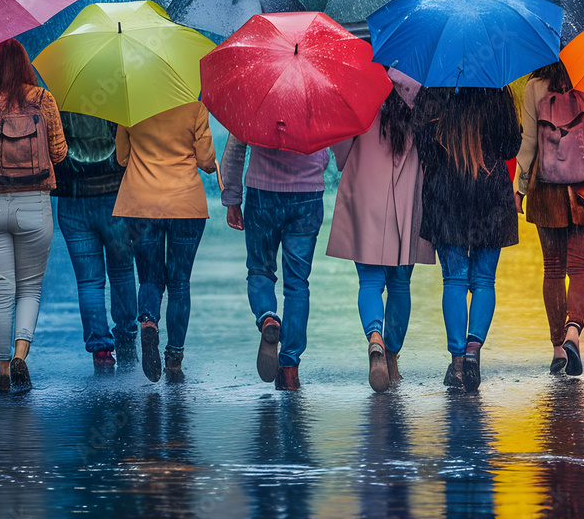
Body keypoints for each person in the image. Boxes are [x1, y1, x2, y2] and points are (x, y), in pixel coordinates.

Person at [0, 39, 67, 393]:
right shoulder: (42, 99)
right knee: (29, 288)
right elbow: (58, 151)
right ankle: (21, 353)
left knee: (0, 289)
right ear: (25, 64)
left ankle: (3, 371)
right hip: (33, 203)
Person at [326, 69, 433, 392]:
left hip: (366, 192)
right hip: (408, 196)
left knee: (370, 281)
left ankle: (374, 335)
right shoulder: (421, 93)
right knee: (401, 284)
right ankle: (392, 355)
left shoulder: (361, 91)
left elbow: (342, 153)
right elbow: (431, 148)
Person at [413, 86, 521, 392]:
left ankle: (458, 364)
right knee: (484, 280)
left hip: (446, 193)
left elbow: (423, 146)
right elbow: (510, 146)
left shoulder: (434, 87)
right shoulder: (497, 88)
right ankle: (474, 349)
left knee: (455, 280)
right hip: (490, 193)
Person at [114, 101, 217, 383]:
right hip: (185, 203)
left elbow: (122, 158)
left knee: (149, 278)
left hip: (141, 204)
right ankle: (174, 359)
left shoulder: (130, 104)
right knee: (180, 283)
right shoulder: (195, 107)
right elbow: (207, 161)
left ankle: (148, 321)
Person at [221, 134, 332, 391]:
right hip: (308, 195)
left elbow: (236, 148)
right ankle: (290, 369)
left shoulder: (255, 94)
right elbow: (334, 139)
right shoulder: (318, 93)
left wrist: (232, 197)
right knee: (297, 284)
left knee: (260, 269)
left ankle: (268, 319)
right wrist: (319, 163)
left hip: (263, 194)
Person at [515, 62, 584, 376]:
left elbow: (528, 143)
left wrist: (520, 189)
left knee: (553, 269)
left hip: (546, 187)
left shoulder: (535, 86)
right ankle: (573, 333)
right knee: (580, 267)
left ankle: (556, 351)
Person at [54, 111, 137, 373]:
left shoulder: (60, 94)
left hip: (74, 197)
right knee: (122, 272)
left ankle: (101, 349)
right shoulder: (119, 92)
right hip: (115, 194)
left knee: (89, 282)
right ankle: (126, 338)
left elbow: (55, 149)